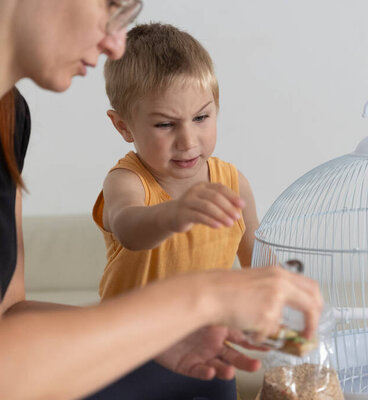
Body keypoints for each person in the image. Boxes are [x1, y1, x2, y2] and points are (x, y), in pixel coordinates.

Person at [0, 1, 324, 399]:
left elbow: (7, 313)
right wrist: (202, 298)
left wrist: (160, 334)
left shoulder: (9, 115)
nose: (115, 42)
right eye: (111, 6)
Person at [91, 22, 259, 398]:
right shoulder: (127, 181)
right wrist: (174, 214)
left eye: (201, 118)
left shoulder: (233, 183)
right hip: (126, 357)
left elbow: (260, 263)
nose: (188, 140)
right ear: (123, 126)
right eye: (166, 124)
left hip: (209, 356)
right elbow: (129, 229)